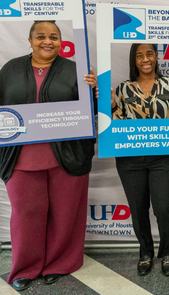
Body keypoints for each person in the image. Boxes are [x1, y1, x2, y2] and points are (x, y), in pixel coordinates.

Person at [0, 20, 97, 292]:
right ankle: (25, 268)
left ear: (61, 41)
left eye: (54, 36)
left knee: (65, 213)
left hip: (66, 156)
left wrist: (94, 92)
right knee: (26, 213)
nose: (47, 41)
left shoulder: (76, 71)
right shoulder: (9, 70)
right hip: (20, 157)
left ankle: (59, 263)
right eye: (40, 36)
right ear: (29, 40)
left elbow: (89, 115)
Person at [112, 43, 169, 277]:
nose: (145, 59)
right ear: (134, 60)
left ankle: (166, 253)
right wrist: (112, 107)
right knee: (138, 209)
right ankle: (145, 253)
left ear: (156, 56)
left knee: (164, 209)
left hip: (162, 158)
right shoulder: (123, 89)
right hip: (129, 160)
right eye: (139, 55)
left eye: (149, 54)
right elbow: (116, 126)